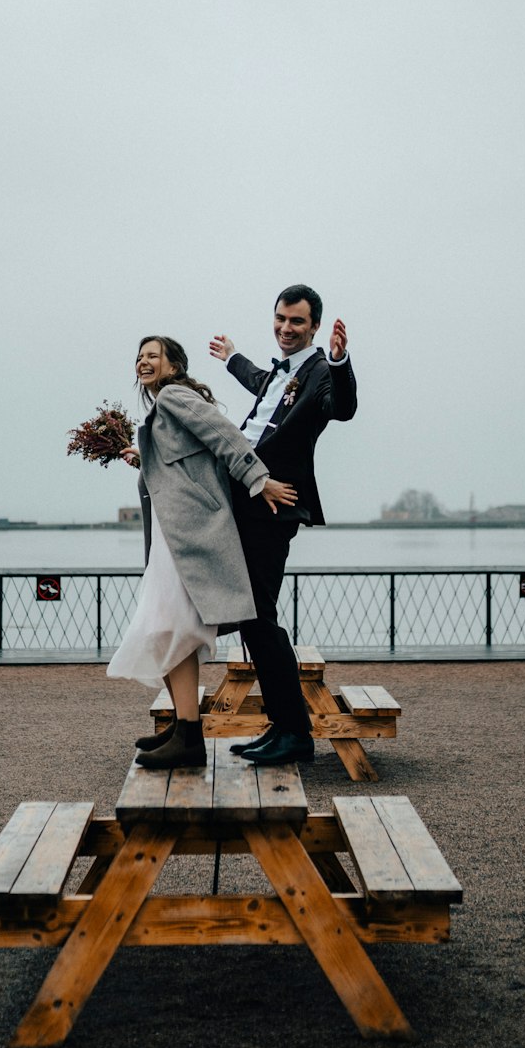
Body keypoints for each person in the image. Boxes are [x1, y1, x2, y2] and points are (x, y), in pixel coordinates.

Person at [107, 335, 298, 769]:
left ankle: (189, 735)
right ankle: (182, 727)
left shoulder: (174, 395)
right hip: (173, 535)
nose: (143, 361)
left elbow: (222, 435)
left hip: (187, 535)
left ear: (174, 366)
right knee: (164, 625)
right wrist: (145, 458)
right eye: (139, 357)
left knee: (170, 624)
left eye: (153, 356)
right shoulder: (162, 410)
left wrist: (257, 478)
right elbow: (189, 464)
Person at [208, 285, 357, 765]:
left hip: (273, 505)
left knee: (258, 616)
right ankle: (283, 727)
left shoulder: (318, 373)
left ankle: (294, 732)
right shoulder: (280, 373)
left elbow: (343, 408)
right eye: (279, 319)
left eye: (296, 322)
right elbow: (260, 382)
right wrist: (232, 357)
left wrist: (339, 360)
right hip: (241, 498)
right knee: (252, 617)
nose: (285, 329)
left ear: (314, 326)